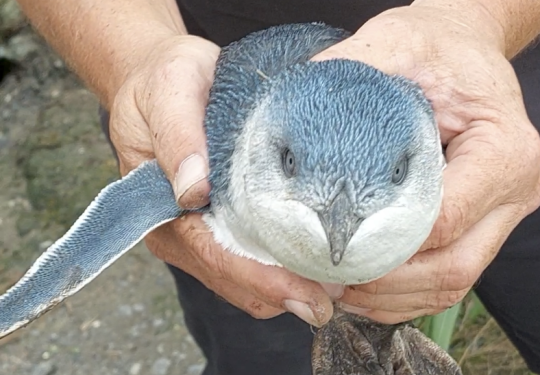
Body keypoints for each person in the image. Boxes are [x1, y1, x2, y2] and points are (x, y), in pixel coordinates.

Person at [15, 0, 540, 373]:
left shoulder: (435, 129)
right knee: (263, 353)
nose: (339, 226)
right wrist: (132, 57)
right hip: (183, 79)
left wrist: (478, 20)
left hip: (477, 85)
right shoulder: (221, 147)